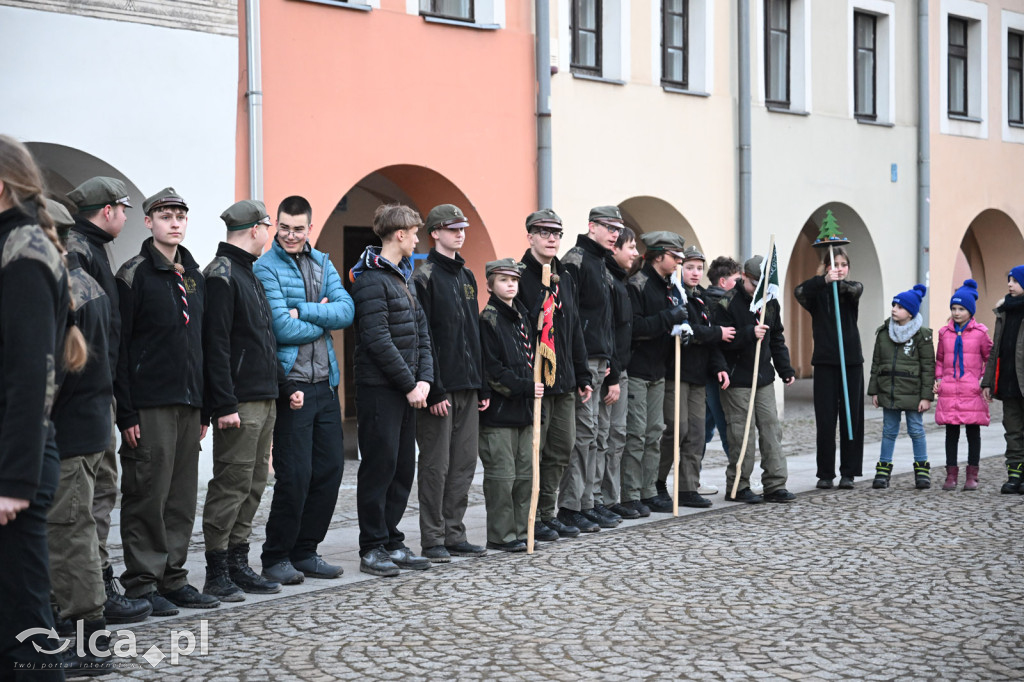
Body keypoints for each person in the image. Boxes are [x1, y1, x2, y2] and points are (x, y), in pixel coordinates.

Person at [0, 134, 87, 679]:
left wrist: (13, 482)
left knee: (24, 630)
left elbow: (32, 375)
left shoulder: (24, 249)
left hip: (16, 468)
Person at [115, 187, 216, 614]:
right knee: (147, 495)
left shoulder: (194, 276)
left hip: (189, 403)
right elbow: (119, 347)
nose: (174, 223)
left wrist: (206, 408)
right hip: (150, 403)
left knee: (179, 497)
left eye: (180, 216)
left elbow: (204, 342)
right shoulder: (134, 274)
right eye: (165, 216)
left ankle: (173, 577)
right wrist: (126, 412)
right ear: (149, 222)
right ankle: (142, 582)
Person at [201, 200, 306, 601]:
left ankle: (238, 562)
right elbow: (217, 346)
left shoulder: (249, 274)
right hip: (240, 401)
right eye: (269, 226)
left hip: (264, 398)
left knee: (254, 482)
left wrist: (284, 385)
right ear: (257, 229)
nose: (274, 233)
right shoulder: (222, 275)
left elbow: (264, 340)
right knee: (232, 482)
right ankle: (217, 569)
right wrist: (224, 404)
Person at [65, 176, 151, 624]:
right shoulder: (78, 250)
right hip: (86, 401)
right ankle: (88, 595)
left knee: (101, 495)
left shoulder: (93, 247)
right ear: (107, 210)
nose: (125, 215)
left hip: (101, 398)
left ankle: (97, 585)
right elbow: (87, 333)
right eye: (123, 208)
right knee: (88, 504)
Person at [255, 196, 354, 584]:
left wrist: (305, 310)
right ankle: (276, 555)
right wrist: (320, 315)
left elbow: (346, 311)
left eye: (298, 228)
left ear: (309, 228)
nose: (291, 235)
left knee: (329, 471)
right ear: (275, 226)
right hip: (292, 384)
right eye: (284, 227)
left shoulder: (323, 262)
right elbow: (281, 328)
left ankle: (306, 551)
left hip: (325, 384)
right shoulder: (266, 268)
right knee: (294, 475)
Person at [47, 199, 122, 674]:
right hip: (91, 422)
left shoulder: (64, 287)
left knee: (70, 533)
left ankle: (87, 638)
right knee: (80, 529)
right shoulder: (87, 282)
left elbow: (64, 369)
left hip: (73, 427)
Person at [352, 204, 433, 576]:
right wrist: (407, 383)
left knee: (402, 467)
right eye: (414, 232)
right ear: (399, 234)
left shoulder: (404, 277)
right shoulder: (370, 279)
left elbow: (422, 335)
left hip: (407, 390)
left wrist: (425, 379)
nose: (418, 238)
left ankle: (391, 540)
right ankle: (372, 547)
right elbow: (376, 339)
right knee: (379, 466)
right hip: (380, 389)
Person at [410, 204, 487, 563]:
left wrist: (482, 384)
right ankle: (433, 537)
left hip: (469, 385)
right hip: (439, 389)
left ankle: (455, 532)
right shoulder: (423, 277)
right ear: (435, 233)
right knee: (435, 465)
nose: (459, 234)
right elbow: (421, 337)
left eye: (462, 229)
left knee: (464, 463)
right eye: (452, 229)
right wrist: (434, 388)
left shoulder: (467, 276)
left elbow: (474, 334)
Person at [515, 209, 592, 541]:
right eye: (543, 232)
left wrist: (583, 374)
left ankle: (548, 512)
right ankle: (530, 515)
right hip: (535, 381)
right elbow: (516, 328)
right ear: (530, 235)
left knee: (562, 447)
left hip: (563, 380)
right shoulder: (518, 276)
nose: (551, 238)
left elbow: (573, 329)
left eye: (556, 233)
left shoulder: (566, 277)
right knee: (536, 449)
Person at [559, 206, 621, 531]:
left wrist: (610, 367)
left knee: (597, 435)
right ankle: (571, 506)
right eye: (609, 227)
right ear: (591, 226)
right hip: (582, 363)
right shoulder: (575, 261)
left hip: (601, 360)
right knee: (582, 435)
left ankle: (590, 501)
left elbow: (605, 322)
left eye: (618, 229)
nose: (615, 234)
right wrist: (581, 366)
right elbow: (570, 319)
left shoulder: (602, 263)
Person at [717, 255, 797, 503]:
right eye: (754, 286)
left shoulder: (770, 303)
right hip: (737, 378)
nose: (758, 292)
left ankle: (775, 484)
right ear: (744, 279)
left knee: (771, 429)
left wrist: (786, 369)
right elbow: (720, 343)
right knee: (742, 434)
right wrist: (748, 333)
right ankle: (738, 486)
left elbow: (777, 338)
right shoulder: (726, 303)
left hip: (762, 376)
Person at [658, 246, 733, 508]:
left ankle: (688, 486)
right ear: (680, 268)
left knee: (697, 433)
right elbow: (694, 331)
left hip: (699, 374)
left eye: (699, 268)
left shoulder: (702, 298)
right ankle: (656, 482)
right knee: (674, 430)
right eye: (689, 267)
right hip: (675, 373)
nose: (694, 272)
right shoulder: (673, 295)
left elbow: (709, 335)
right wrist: (716, 334)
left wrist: (719, 366)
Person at [477, 258, 544, 552]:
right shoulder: (488, 319)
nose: (511, 285)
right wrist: (526, 388)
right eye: (504, 280)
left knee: (525, 475)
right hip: (501, 412)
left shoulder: (522, 316)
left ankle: (521, 529)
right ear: (490, 284)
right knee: (502, 477)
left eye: (514, 280)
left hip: (524, 411)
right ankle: (501, 534)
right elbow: (493, 370)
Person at [621, 231, 688, 515]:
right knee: (636, 435)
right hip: (638, 368)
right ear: (658, 255)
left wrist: (679, 331)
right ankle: (630, 493)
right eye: (674, 257)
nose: (678, 263)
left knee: (654, 434)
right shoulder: (637, 284)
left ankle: (649, 490)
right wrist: (667, 319)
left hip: (658, 369)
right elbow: (634, 328)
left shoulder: (668, 286)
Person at [794, 246, 865, 489]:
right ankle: (825, 473)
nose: (840, 269)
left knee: (850, 418)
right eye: (835, 265)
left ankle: (849, 471)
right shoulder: (817, 293)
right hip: (825, 362)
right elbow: (799, 292)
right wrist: (824, 281)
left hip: (851, 361)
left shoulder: (852, 289)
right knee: (825, 420)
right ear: (826, 267)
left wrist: (838, 282)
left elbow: (854, 289)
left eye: (843, 265)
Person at [867, 285, 935, 490]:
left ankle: (922, 470)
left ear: (911, 312)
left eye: (900, 306)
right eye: (894, 305)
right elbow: (876, 364)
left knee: (916, 430)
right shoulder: (884, 333)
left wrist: (926, 396)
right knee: (888, 431)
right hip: (889, 391)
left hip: (914, 393)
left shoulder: (922, 336)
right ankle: (883, 469)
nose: (894, 309)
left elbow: (928, 367)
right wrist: (875, 391)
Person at [597, 227, 639, 520]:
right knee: (602, 438)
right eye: (631, 247)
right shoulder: (607, 281)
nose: (636, 254)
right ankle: (598, 499)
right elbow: (605, 331)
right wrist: (612, 375)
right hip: (609, 372)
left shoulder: (620, 281)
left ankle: (611, 498)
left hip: (620, 369)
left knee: (617, 438)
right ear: (615, 249)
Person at [934, 279, 991, 491]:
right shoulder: (944, 333)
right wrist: (939, 379)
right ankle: (951, 475)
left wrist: (983, 381)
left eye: (961, 309)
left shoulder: (980, 333)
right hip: (949, 390)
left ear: (970, 311)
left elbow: (989, 358)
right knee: (951, 433)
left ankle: (972, 475)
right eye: (954, 308)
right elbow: (939, 360)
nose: (957, 313)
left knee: (973, 433)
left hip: (972, 391)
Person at [981, 265, 1024, 494]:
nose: (1009, 284)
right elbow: (995, 350)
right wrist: (988, 382)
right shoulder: (1004, 311)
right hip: (1008, 382)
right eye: (1009, 280)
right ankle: (1014, 475)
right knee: (1013, 430)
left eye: (1015, 281)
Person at [703, 256, 742, 462]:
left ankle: (693, 480)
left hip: (715, 372)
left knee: (705, 428)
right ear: (723, 282)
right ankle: (738, 476)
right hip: (717, 373)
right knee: (726, 426)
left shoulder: (716, 301)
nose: (740, 285)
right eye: (736, 280)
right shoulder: (718, 304)